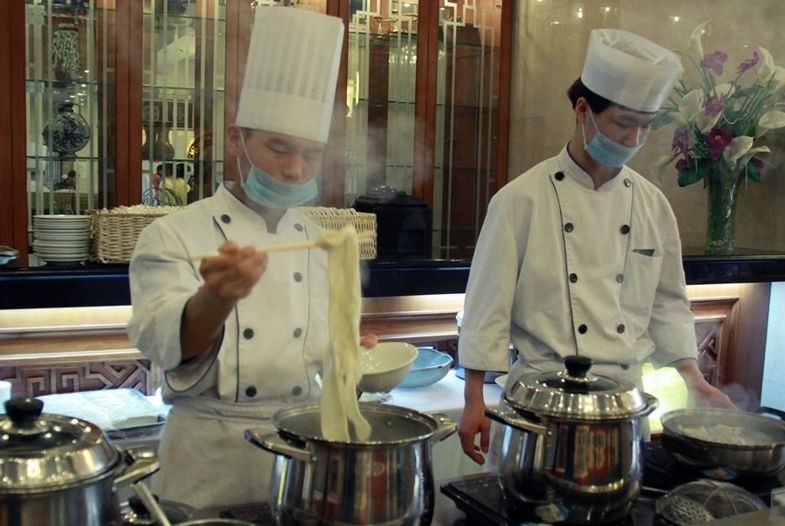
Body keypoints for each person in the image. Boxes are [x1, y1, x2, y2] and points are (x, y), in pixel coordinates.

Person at [456, 29, 735, 466]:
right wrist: (474, 396)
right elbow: (487, 305)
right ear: (582, 110)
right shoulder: (520, 199)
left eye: (645, 126)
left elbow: (667, 302)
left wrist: (694, 379)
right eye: (623, 123)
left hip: (623, 408)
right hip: (539, 405)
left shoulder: (652, 205)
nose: (633, 140)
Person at [127, 6, 361, 510]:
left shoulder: (321, 242)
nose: (296, 169)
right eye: (279, 148)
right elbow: (172, 343)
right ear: (237, 140)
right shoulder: (171, 236)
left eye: (311, 154)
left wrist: (351, 352)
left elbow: (321, 355)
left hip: (304, 458)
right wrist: (217, 295)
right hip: (209, 465)